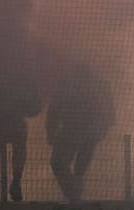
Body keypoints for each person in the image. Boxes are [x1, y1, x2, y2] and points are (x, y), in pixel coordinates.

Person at [47, 64, 116, 202]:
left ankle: (74, 196)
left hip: (73, 131)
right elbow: (110, 114)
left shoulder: (68, 84)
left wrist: (51, 131)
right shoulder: (100, 85)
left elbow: (54, 110)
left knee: (58, 162)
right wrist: (102, 130)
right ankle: (75, 196)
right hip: (91, 133)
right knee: (78, 170)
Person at [0, 79, 41, 203]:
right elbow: (35, 106)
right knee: (18, 147)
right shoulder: (21, 77)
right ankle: (16, 182)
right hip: (6, 124)